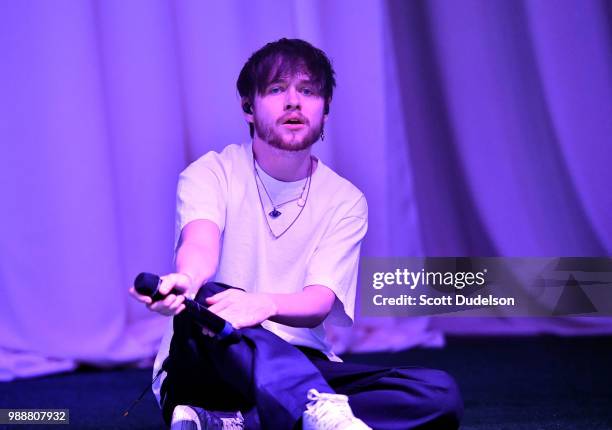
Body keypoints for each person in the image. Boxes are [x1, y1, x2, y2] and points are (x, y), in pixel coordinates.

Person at [130, 38, 463, 430]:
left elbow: (319, 302)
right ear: (248, 107)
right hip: (211, 361)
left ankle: (242, 421)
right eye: (276, 89)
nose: (294, 102)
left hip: (305, 361)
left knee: (437, 394)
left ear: (325, 111)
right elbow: (200, 244)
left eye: (307, 91)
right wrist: (185, 281)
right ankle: (311, 409)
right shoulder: (211, 173)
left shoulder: (345, 199)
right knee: (211, 300)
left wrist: (264, 304)